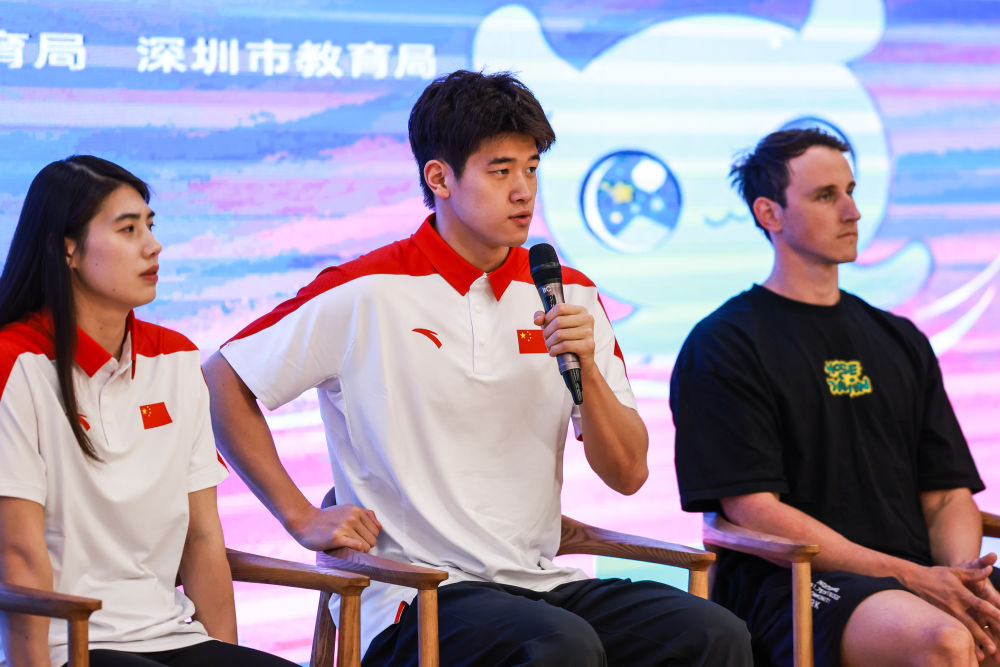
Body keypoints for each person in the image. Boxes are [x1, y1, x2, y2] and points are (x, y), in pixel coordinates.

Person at [203, 69, 752, 666]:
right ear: (439, 178)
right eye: (500, 171)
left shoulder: (570, 294)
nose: (523, 191)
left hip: (541, 582)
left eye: (531, 169)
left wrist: (588, 372)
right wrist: (299, 516)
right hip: (417, 594)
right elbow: (223, 379)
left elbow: (628, 474)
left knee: (713, 632)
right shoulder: (367, 290)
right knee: (557, 644)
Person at [670, 128, 1000, 667]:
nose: (853, 211)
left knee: (967, 621)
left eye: (850, 191)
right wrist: (916, 579)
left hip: (918, 576)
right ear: (769, 214)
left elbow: (946, 494)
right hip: (793, 584)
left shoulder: (899, 338)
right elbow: (753, 511)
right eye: (826, 196)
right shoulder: (725, 343)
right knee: (943, 640)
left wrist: (960, 579)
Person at [0, 156, 298, 667]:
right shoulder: (15, 363)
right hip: (73, 648)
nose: (153, 246)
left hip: (172, 636)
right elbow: (19, 556)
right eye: (128, 229)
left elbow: (202, 535)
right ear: (66, 248)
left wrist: (226, 657)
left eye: (151, 225)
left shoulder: (177, 358)